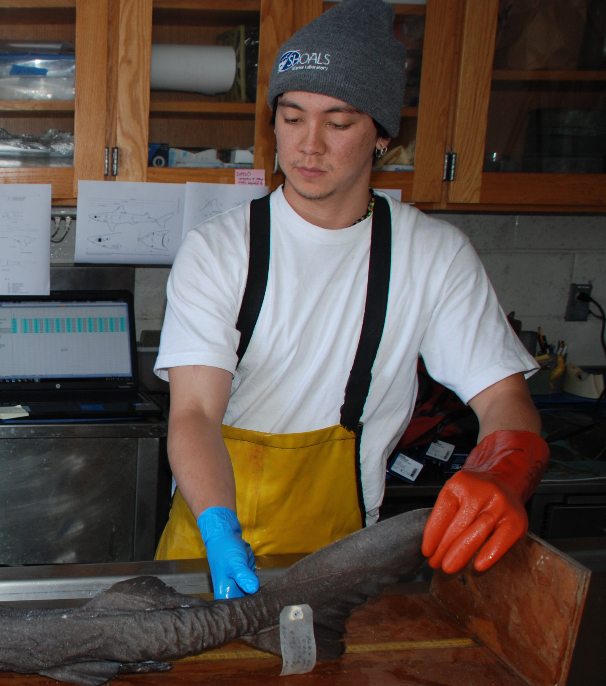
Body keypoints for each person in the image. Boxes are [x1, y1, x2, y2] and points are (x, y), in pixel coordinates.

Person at [153, 0, 548, 599]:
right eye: (291, 117)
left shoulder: (433, 255)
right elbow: (195, 415)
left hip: (341, 561)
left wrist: (506, 472)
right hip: (210, 544)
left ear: (382, 134)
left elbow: (505, 400)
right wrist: (216, 526)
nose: (309, 146)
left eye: (338, 124)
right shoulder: (219, 250)